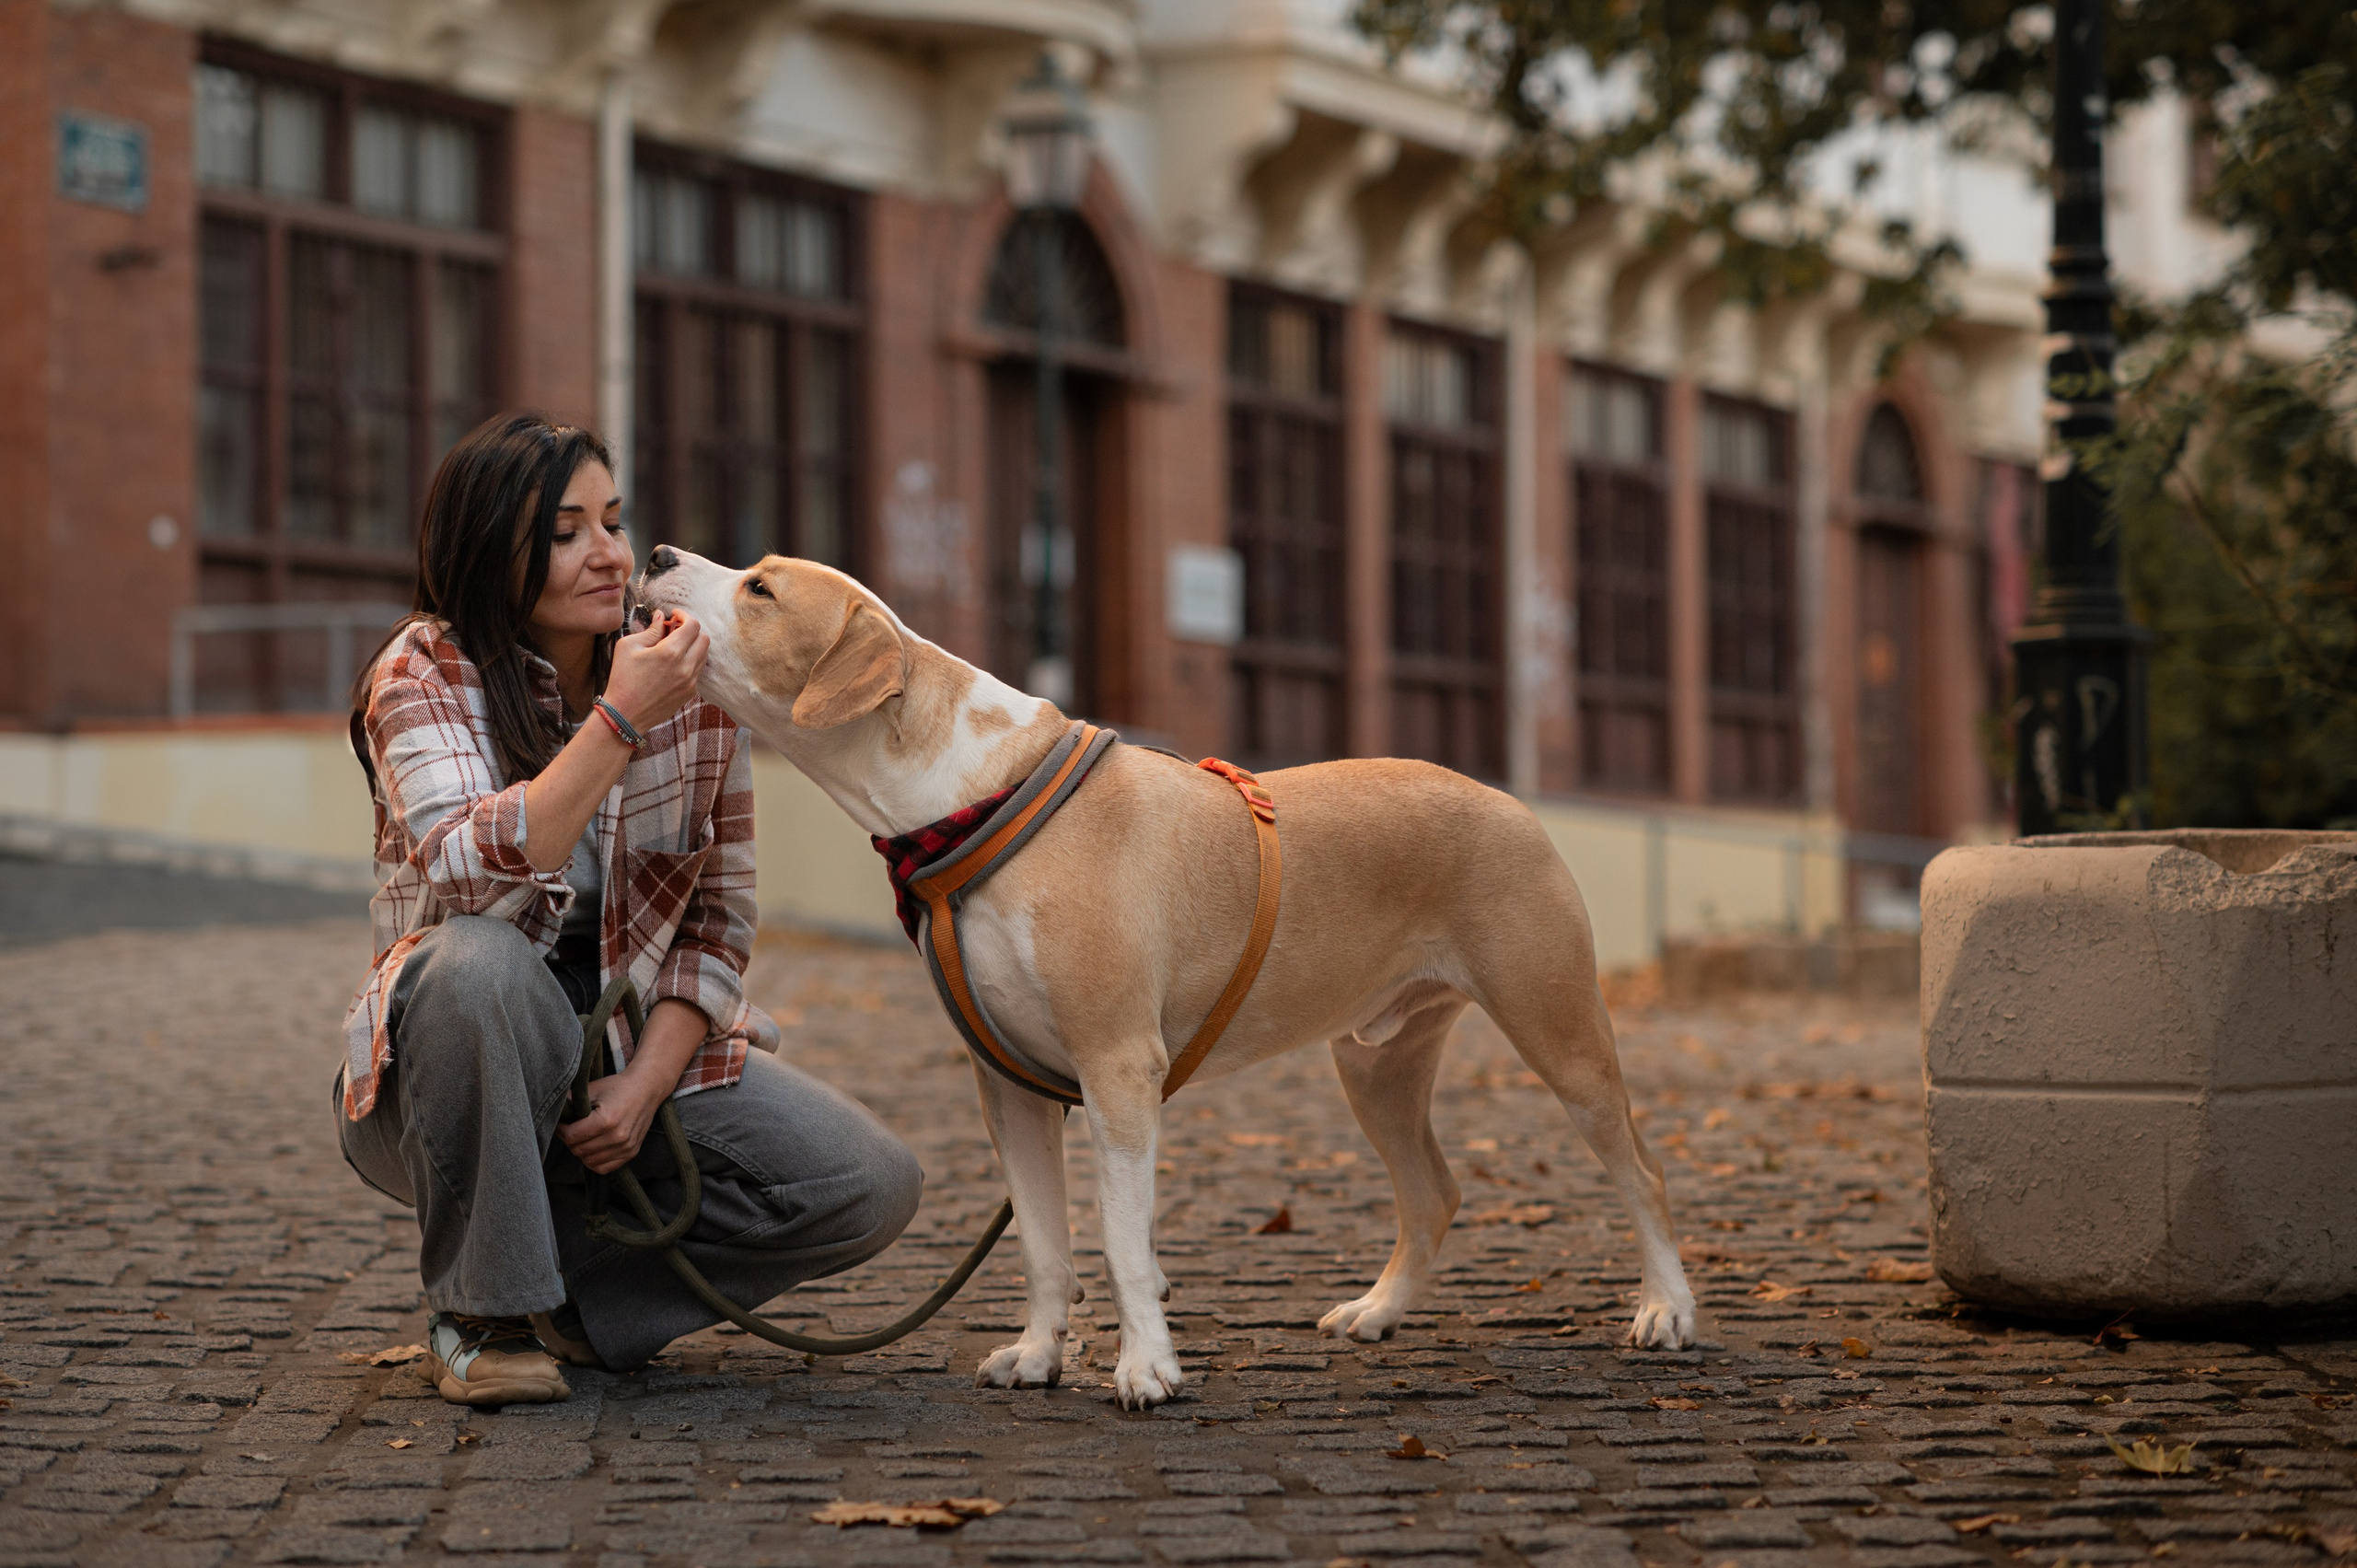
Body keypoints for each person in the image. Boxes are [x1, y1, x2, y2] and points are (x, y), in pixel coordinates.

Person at [335, 412, 922, 1406]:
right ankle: (479, 1313)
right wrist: (618, 719)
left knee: (865, 1182)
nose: (609, 554)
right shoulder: (421, 671)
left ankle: (574, 1300)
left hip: (621, 1040)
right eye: (564, 533)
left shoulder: (694, 684)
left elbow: (716, 925)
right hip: (450, 1062)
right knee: (478, 961)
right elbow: (473, 879)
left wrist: (646, 1084)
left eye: (612, 520)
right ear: (487, 550)